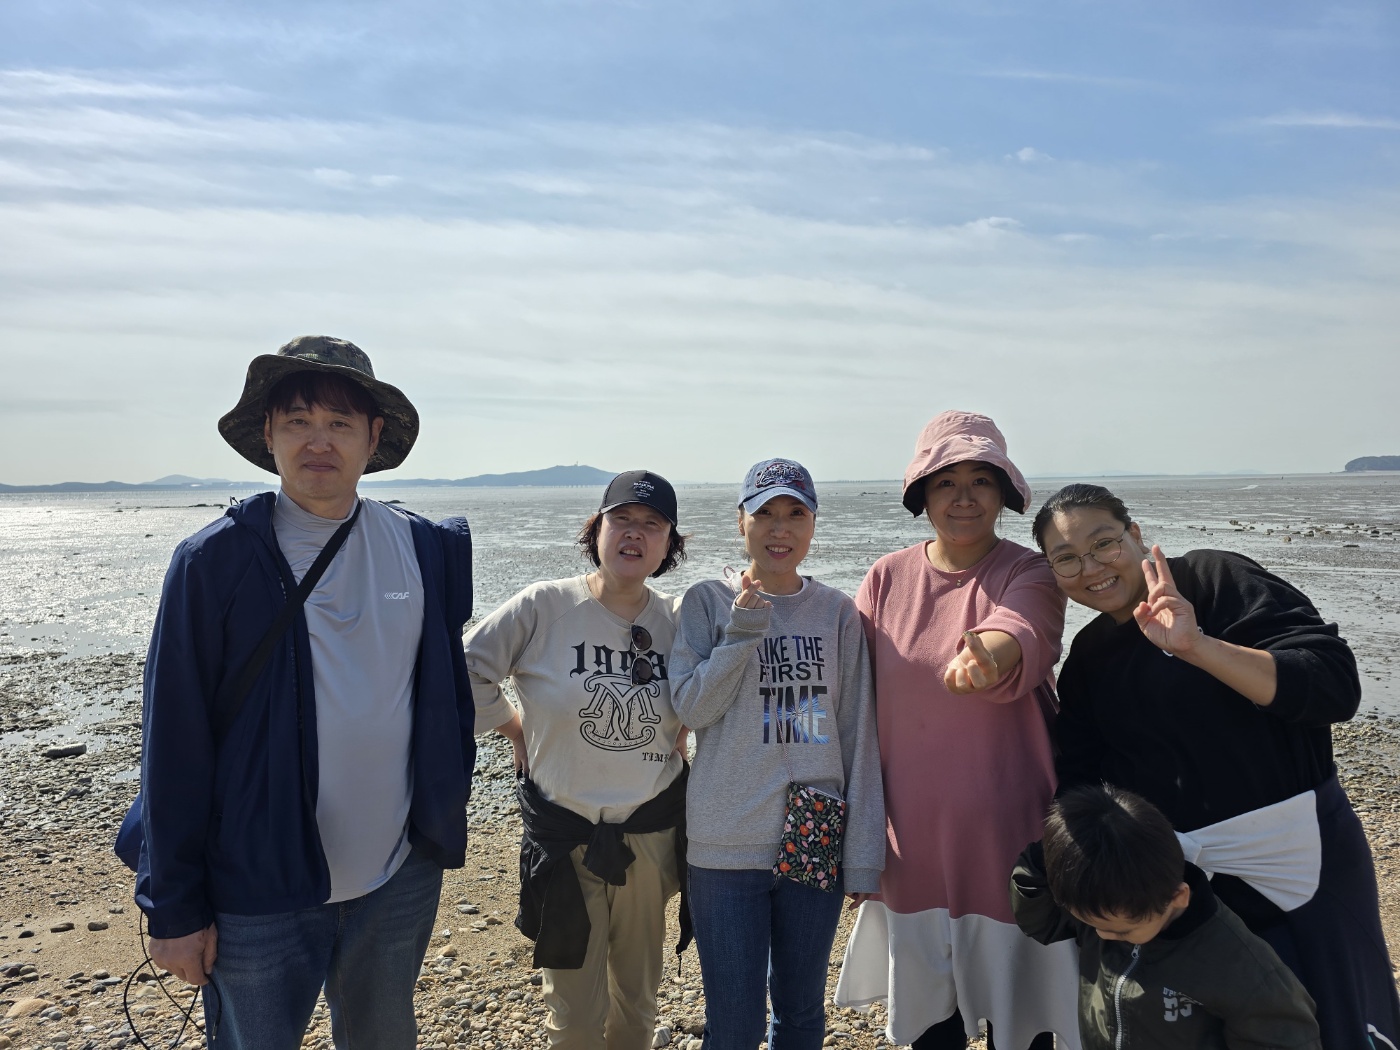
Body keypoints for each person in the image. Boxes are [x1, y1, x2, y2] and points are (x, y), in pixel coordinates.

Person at [133, 336, 476, 1049]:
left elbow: (446, 696)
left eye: (340, 423)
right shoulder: (214, 561)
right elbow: (173, 742)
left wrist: (440, 822)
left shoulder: (425, 548)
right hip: (255, 882)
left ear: (373, 437)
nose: (319, 441)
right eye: (298, 421)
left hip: (398, 873)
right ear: (268, 434)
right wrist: (174, 908)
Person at [1033, 483, 1400, 1050]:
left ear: (1135, 534)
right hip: (1185, 878)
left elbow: (1333, 686)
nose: (1091, 568)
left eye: (1104, 543)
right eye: (1067, 559)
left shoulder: (1215, 580)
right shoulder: (1088, 658)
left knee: (1334, 1015)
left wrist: (1197, 646)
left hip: (1300, 855)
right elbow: (1083, 777)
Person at [833, 411, 1077, 1050]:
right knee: (931, 1030)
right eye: (946, 482)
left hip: (1013, 840)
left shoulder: (1031, 572)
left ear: (1003, 493)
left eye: (981, 481)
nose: (964, 497)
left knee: (1023, 1026)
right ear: (922, 493)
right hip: (911, 843)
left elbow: (1020, 628)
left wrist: (985, 658)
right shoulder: (886, 578)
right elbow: (842, 692)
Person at [464, 470, 689, 1050]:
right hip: (563, 836)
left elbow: (714, 690)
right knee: (574, 1018)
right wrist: (513, 729)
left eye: (652, 524)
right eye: (622, 519)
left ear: (669, 543)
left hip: (648, 837)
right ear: (597, 530)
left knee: (637, 1005)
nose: (635, 534)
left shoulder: (679, 620)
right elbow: (464, 670)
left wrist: (685, 727)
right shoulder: (545, 605)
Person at [670, 458, 885, 1050]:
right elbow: (693, 708)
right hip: (725, 839)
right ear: (741, 521)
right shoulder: (707, 601)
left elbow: (856, 734)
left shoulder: (837, 612)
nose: (779, 528)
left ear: (813, 524)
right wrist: (743, 627)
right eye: (764, 513)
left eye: (795, 513)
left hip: (815, 828)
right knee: (734, 1023)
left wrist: (864, 855)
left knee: (801, 1012)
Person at [1011, 784, 1321, 1050]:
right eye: (1091, 926)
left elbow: (1287, 1038)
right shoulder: (1105, 903)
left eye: (1123, 932)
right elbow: (1041, 923)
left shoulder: (1240, 966)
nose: (1102, 936)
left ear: (1178, 897)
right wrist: (1047, 858)